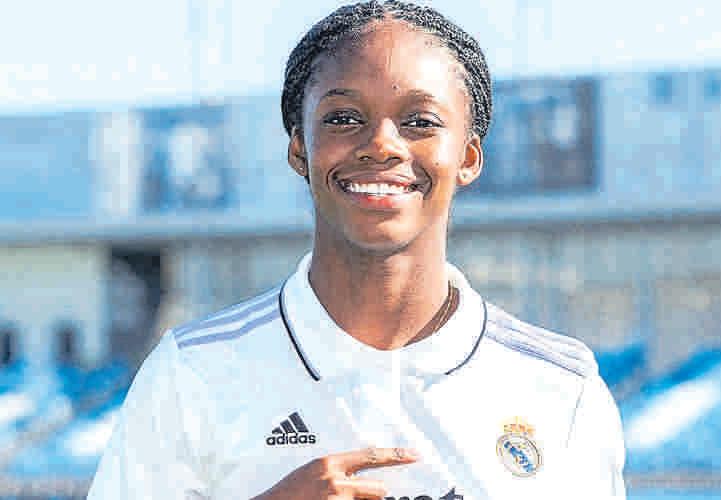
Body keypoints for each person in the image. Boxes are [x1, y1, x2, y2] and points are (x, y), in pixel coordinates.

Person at [88, 1, 626, 498]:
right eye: (344, 118)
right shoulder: (192, 373)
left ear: (467, 157)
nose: (383, 144)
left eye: (420, 121)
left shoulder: (561, 387)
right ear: (300, 148)